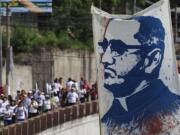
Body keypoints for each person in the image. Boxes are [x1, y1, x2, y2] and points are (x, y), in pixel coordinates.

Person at [98, 16, 180, 134]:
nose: (105, 59)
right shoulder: (106, 121)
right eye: (105, 47)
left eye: (118, 48)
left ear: (152, 60)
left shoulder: (175, 113)